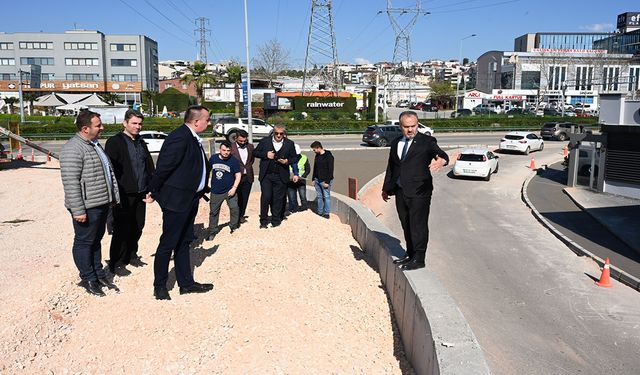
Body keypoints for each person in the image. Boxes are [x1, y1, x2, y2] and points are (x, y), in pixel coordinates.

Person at [148, 105, 214, 300]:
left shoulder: (192, 138)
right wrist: (153, 190)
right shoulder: (179, 137)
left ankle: (186, 283)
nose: (208, 123)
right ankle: (160, 286)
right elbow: (164, 167)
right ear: (196, 122)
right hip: (176, 201)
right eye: (207, 119)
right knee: (168, 243)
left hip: (190, 198)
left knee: (185, 241)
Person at [60, 110, 121, 297]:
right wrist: (78, 210)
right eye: (98, 125)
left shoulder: (94, 144)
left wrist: (113, 198)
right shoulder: (73, 149)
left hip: (100, 202)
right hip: (87, 206)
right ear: (85, 129)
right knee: (84, 241)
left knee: (95, 240)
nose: (102, 127)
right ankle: (87, 278)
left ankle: (97, 273)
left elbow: (107, 173)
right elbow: (71, 183)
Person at [381, 111, 449, 271]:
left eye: (413, 126)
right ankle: (410, 254)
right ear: (400, 126)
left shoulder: (427, 141)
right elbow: (392, 167)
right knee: (406, 224)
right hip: (400, 191)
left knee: (418, 225)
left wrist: (441, 161)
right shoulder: (396, 142)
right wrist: (386, 188)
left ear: (417, 125)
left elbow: (442, 155)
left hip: (420, 191)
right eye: (406, 127)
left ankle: (419, 258)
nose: (410, 130)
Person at [105, 109, 155, 274]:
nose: (138, 126)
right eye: (134, 123)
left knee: (138, 225)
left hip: (141, 192)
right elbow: (110, 170)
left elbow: (148, 166)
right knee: (121, 228)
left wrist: (150, 189)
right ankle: (116, 261)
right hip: (123, 194)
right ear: (125, 123)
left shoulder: (140, 142)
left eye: (140, 124)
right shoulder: (115, 142)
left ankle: (131, 255)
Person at [253, 124, 299, 228]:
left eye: (281, 133)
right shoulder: (265, 141)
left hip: (281, 176)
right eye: (276, 133)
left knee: (278, 199)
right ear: (273, 132)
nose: (278, 135)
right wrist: (266, 155)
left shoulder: (289, 144)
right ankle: (263, 221)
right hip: (266, 175)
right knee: (266, 197)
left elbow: (295, 158)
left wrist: (287, 161)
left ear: (284, 134)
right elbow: (255, 152)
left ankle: (276, 220)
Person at [206, 140, 241, 240]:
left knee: (234, 208)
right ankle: (212, 231)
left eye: (228, 150)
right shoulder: (213, 158)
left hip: (230, 190)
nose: (226, 152)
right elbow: (207, 172)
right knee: (214, 212)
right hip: (216, 191)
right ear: (220, 149)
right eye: (224, 150)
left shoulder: (233, 160)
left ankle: (233, 227)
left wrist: (234, 188)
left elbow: (238, 175)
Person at [230, 130, 254, 224]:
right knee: (235, 199)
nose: (243, 143)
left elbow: (251, 160)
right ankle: (235, 218)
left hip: (248, 176)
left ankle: (241, 216)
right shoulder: (231, 148)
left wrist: (246, 168)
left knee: (244, 198)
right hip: (235, 177)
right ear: (236, 138)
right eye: (240, 141)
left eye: (244, 141)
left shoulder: (250, 146)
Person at [310, 141, 334, 219]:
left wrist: (327, 182)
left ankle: (326, 213)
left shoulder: (329, 156)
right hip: (317, 180)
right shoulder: (317, 156)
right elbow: (315, 168)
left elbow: (330, 170)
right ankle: (320, 212)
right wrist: (313, 179)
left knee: (326, 197)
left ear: (318, 148)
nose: (314, 151)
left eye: (314, 150)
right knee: (319, 196)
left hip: (325, 181)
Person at [287, 143, 310, 212]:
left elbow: (308, 169)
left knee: (303, 196)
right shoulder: (288, 158)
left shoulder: (304, 157)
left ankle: (304, 208)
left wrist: (302, 176)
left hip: (301, 180)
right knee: (291, 196)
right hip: (290, 180)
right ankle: (293, 208)